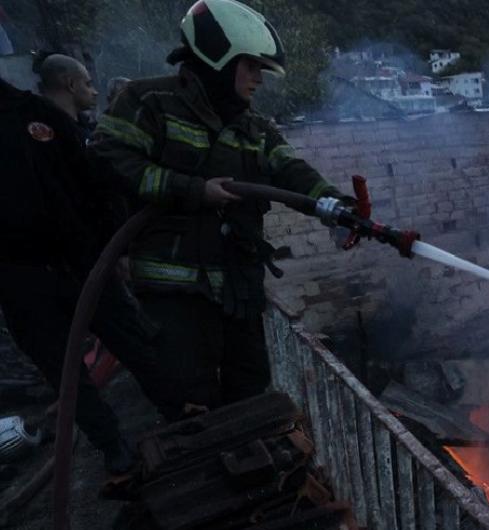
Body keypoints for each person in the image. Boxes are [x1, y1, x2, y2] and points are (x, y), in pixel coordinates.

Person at [92, 0, 347, 420]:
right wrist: (192, 190)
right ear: (217, 57)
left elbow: (290, 170)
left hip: (236, 286)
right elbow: (107, 160)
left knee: (249, 392)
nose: (259, 80)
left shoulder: (253, 127)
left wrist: (336, 204)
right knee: (190, 402)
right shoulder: (150, 102)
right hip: (176, 292)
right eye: (252, 67)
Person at [0, 62, 163, 475]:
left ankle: (180, 409)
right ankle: (112, 447)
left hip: (81, 262)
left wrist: (113, 246)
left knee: (134, 342)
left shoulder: (34, 116)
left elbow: (94, 179)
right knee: (63, 370)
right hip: (19, 279)